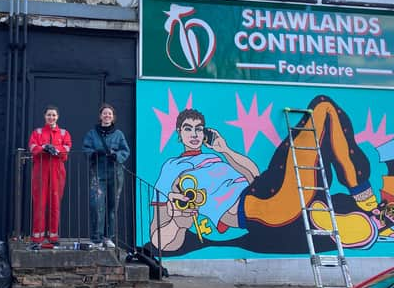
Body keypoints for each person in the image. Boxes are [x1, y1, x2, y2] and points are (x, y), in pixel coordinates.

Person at [150, 95, 389, 255]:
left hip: (265, 188)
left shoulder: (216, 157)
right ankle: (361, 204)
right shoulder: (172, 168)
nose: (194, 134)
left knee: (323, 111)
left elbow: (253, 174)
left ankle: (341, 218)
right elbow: (158, 238)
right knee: (323, 108)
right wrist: (178, 224)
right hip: (252, 208)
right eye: (188, 129)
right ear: (179, 134)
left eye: (199, 129)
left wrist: (224, 150)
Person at [83, 104, 131, 249]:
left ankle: (108, 237)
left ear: (113, 117)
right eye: (104, 113)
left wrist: (116, 155)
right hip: (98, 173)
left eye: (109, 114)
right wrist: (94, 153)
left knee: (111, 206)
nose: (107, 116)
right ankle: (96, 238)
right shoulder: (92, 133)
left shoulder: (119, 134)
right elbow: (86, 148)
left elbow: (125, 151)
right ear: (100, 116)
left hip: (115, 174)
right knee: (96, 205)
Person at [28, 105, 72, 247]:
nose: (51, 117)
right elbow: (33, 148)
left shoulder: (64, 133)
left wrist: (56, 149)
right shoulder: (38, 132)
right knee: (39, 203)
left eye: (53, 115)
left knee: (55, 203)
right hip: (40, 170)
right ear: (44, 116)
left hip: (57, 171)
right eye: (49, 115)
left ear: (57, 117)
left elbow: (67, 149)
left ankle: (53, 236)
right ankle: (37, 237)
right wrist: (44, 148)